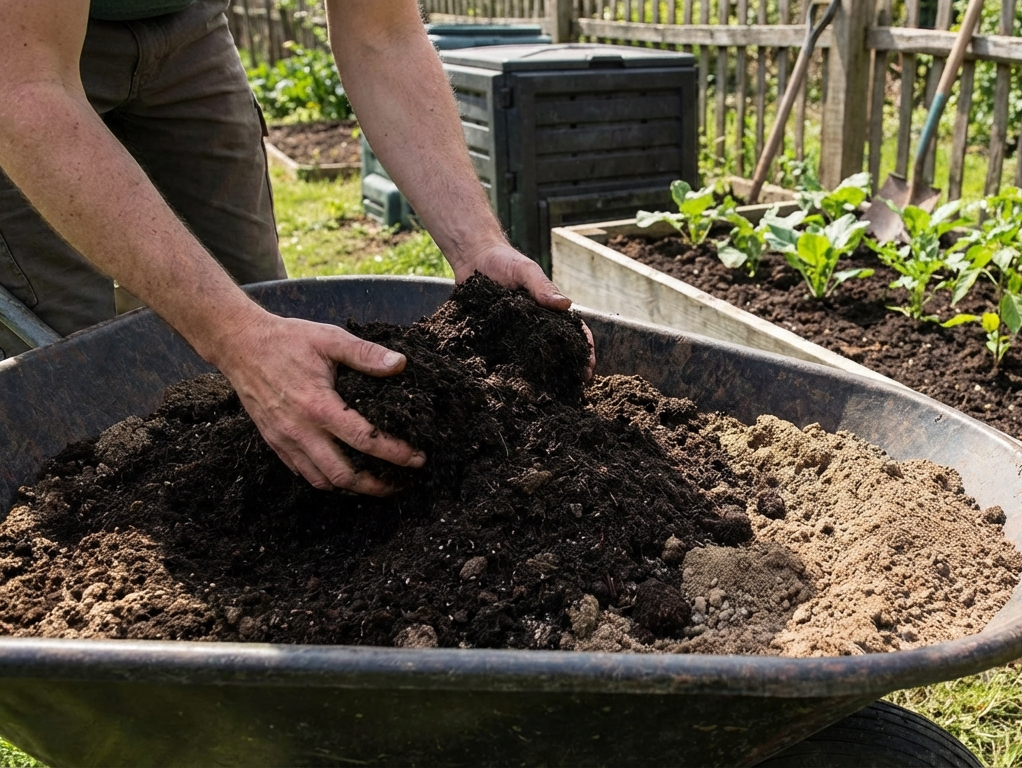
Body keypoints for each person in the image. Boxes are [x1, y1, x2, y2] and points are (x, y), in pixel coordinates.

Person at [0, 0, 588, 497]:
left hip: (184, 20)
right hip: (20, 51)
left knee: (257, 297)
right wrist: (235, 336)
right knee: (68, 368)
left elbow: (381, 33)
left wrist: (477, 246)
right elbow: (24, 90)